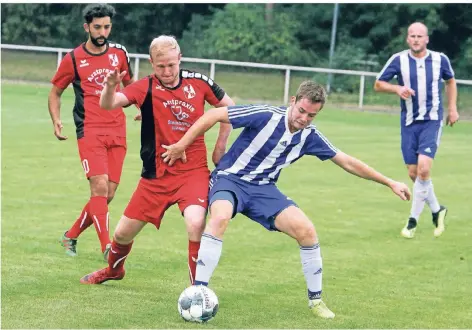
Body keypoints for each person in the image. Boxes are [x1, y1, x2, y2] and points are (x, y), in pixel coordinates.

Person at [160, 80, 411, 319]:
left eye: (311, 115)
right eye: (301, 111)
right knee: (221, 216)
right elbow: (214, 115)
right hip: (230, 179)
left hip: (263, 190)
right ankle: (199, 291)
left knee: (307, 231)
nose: (304, 118)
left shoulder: (309, 136)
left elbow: (346, 161)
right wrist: (182, 145)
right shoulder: (266, 115)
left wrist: (390, 182)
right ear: (293, 101)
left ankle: (316, 300)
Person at [79, 35, 235, 285]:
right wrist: (109, 87)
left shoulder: (199, 82)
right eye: (161, 66)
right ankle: (114, 271)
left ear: (180, 58)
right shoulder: (145, 87)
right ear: (152, 63)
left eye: (172, 65)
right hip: (155, 176)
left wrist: (220, 147)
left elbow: (230, 111)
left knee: (196, 223)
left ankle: (198, 289)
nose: (167, 71)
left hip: (192, 172)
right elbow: (109, 104)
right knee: (121, 234)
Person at [49, 4, 137, 261]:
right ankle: (106, 246)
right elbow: (55, 91)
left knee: (107, 194)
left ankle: (71, 235)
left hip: (117, 129)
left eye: (106, 26)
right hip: (90, 129)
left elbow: (130, 84)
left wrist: (140, 104)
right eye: (97, 27)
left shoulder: (120, 53)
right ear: (87, 27)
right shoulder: (73, 58)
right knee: (98, 188)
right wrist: (56, 119)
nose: (102, 31)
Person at [374, 22, 459, 239]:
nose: (416, 39)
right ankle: (437, 210)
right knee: (414, 174)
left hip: (432, 120)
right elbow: (378, 84)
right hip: (409, 123)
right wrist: (397, 88)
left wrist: (452, 108)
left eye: (420, 36)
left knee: (423, 169)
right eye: (412, 36)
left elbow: (450, 81)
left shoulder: (440, 59)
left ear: (427, 39)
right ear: (407, 39)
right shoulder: (399, 60)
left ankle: (412, 222)